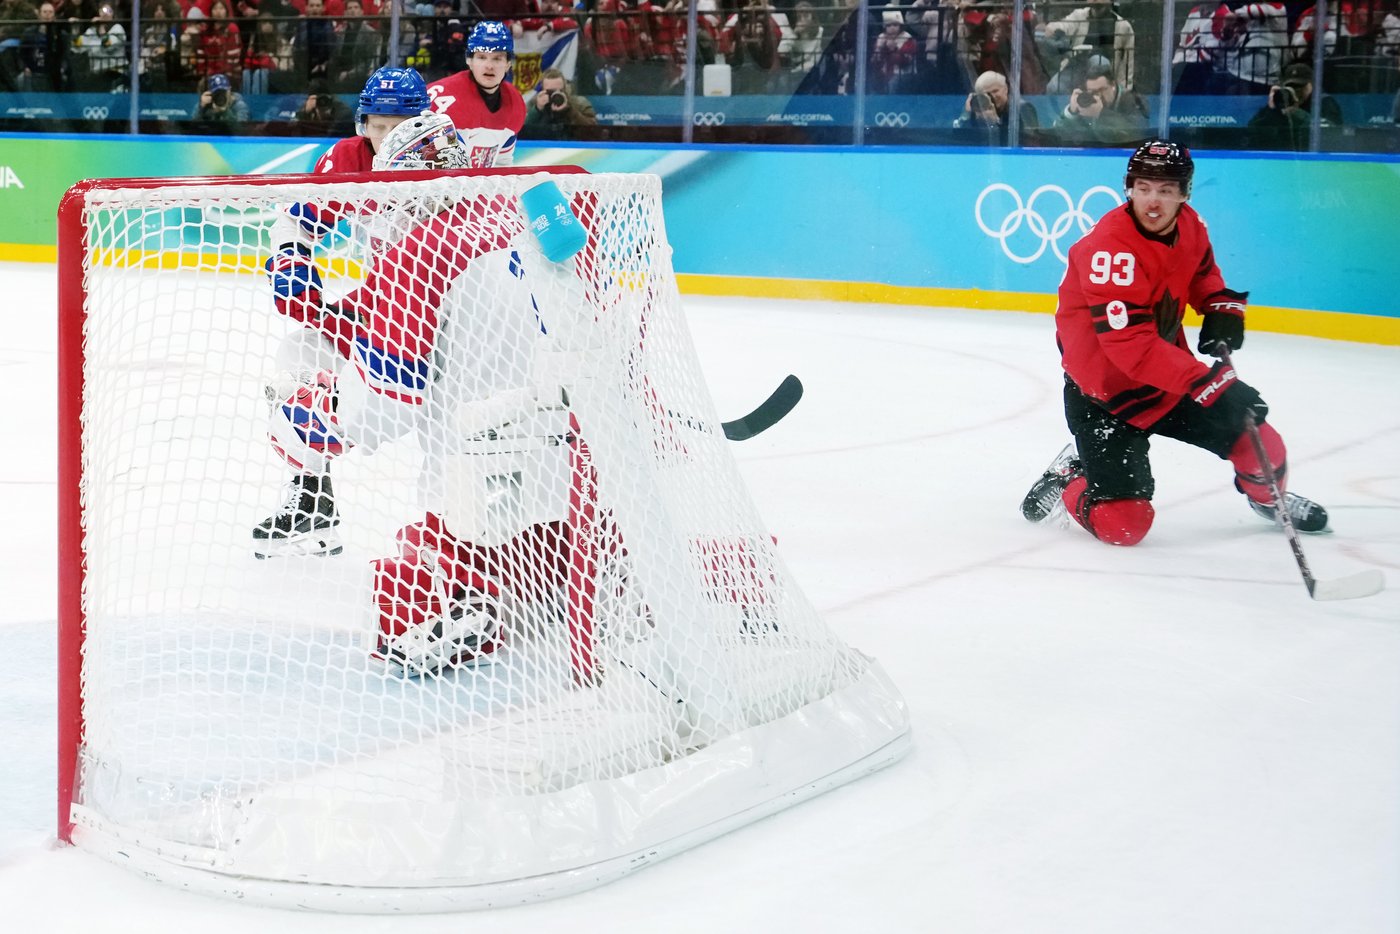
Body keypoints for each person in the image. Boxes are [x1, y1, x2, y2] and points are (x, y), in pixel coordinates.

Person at [256, 111, 571, 675]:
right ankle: (561, 567)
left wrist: (309, 418)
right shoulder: (514, 210)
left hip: (472, 479)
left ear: (406, 184)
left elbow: (382, 412)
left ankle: (470, 597)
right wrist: (345, 315)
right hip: (566, 462)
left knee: (401, 606)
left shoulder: (415, 255)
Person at [1020, 141, 1329, 547]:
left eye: (1166, 190)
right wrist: (1214, 387)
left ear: (1184, 195)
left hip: (1168, 378)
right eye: (1144, 187)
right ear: (1128, 189)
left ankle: (1271, 502)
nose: (1153, 200)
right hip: (1103, 395)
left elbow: (1201, 273)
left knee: (1263, 448)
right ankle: (1070, 480)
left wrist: (1219, 306)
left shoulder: (1191, 225)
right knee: (1124, 526)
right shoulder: (1109, 251)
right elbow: (1131, 347)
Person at [424, 20, 525, 167]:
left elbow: (501, 164)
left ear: (508, 64)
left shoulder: (515, 103)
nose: (489, 66)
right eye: (482, 57)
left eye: (497, 58)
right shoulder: (442, 99)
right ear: (469, 60)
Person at [1036, 0, 1132, 93]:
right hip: (1076, 65)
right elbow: (1064, 25)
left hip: (1103, 73)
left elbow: (1128, 62)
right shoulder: (1079, 15)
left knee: (1099, 61)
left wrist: (1125, 90)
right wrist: (1053, 28)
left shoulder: (1123, 26)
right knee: (1053, 88)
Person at [1052, 61, 1148, 146]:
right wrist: (1071, 112)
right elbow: (1058, 137)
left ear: (1113, 85)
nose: (1098, 95)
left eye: (1101, 90)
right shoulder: (1088, 102)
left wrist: (1101, 113)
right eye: (1092, 91)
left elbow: (1136, 135)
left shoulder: (1132, 100)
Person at [953, 69, 1040, 144]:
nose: (992, 96)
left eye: (995, 91)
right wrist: (966, 116)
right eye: (986, 94)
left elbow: (1027, 142)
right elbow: (958, 141)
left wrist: (995, 123)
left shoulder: (1021, 108)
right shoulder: (978, 110)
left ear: (1005, 89)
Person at [523, 66, 597, 139]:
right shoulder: (534, 104)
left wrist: (569, 110)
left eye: (560, 91)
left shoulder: (579, 103)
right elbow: (521, 132)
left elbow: (594, 131)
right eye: (551, 91)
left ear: (565, 88)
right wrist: (537, 110)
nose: (556, 94)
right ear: (543, 90)